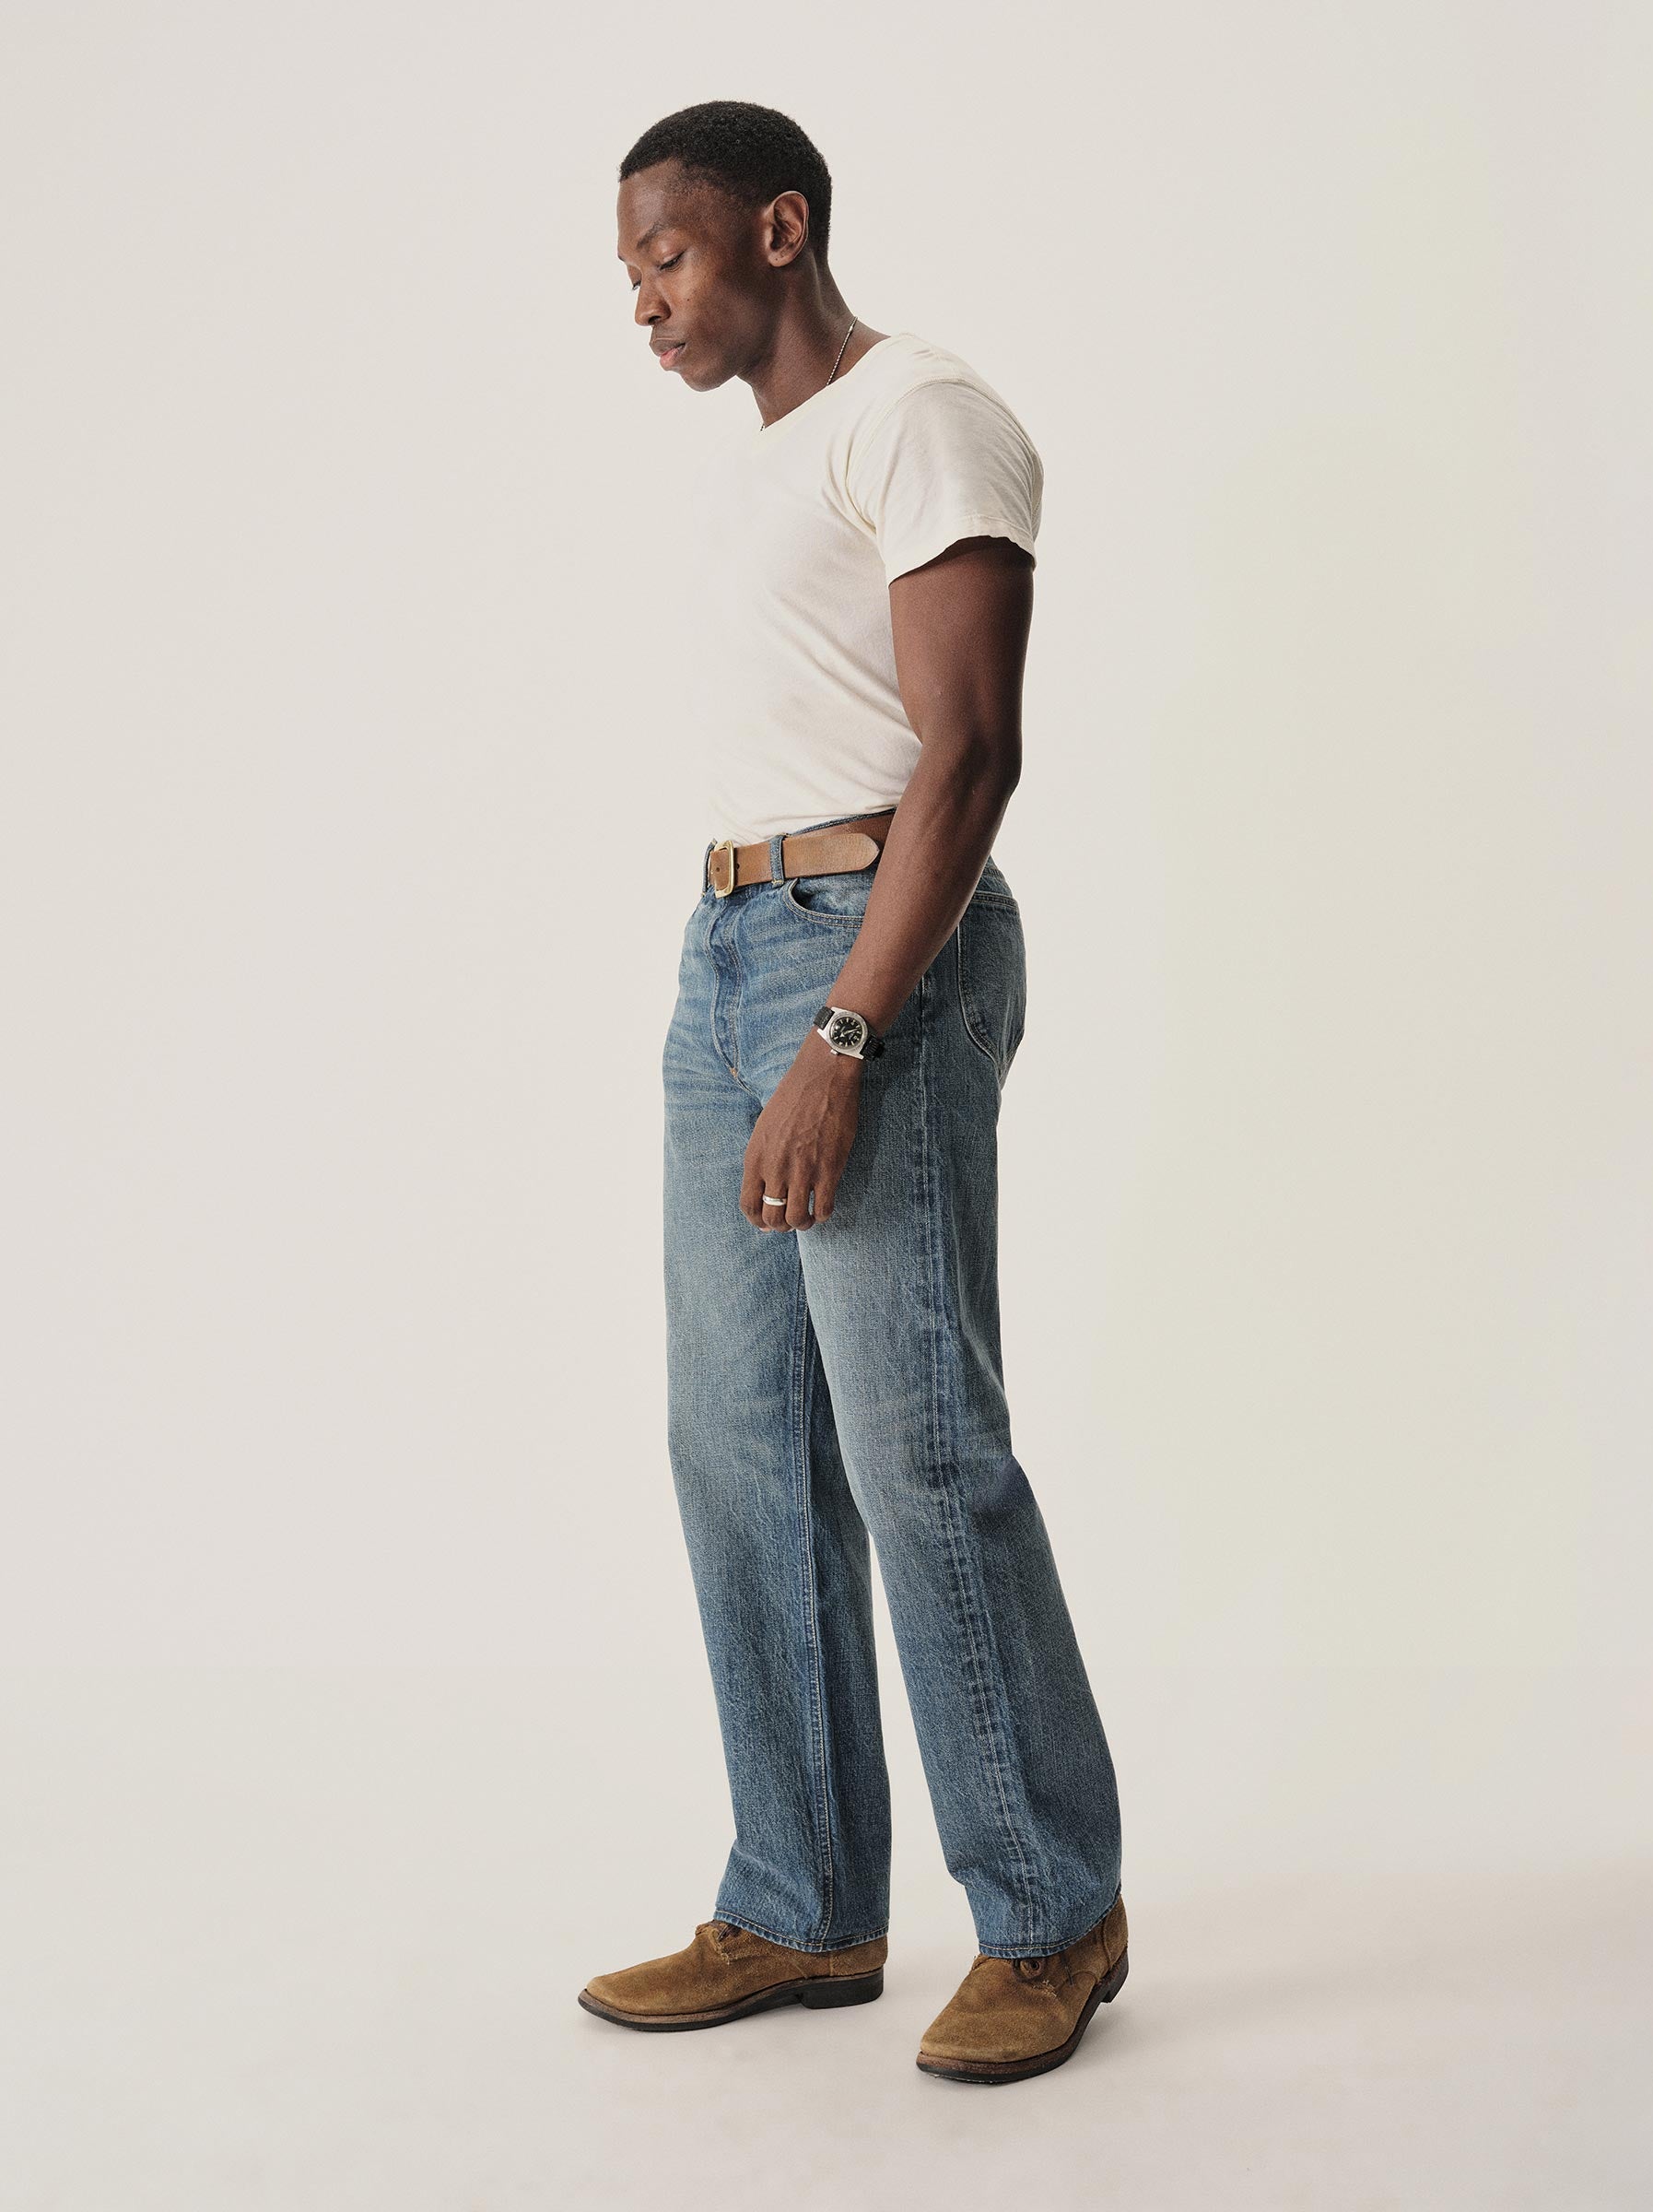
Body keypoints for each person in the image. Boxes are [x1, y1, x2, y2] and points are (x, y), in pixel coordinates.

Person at [579, 100, 1127, 2087]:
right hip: (727, 945)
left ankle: (1052, 1914)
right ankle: (805, 1902)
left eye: (667, 257)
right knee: (735, 1441)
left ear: (780, 227)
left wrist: (844, 1038)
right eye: (628, 273)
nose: (645, 302)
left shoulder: (923, 415)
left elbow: (967, 755)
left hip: (870, 952)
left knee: (920, 1448)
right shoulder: (763, 463)